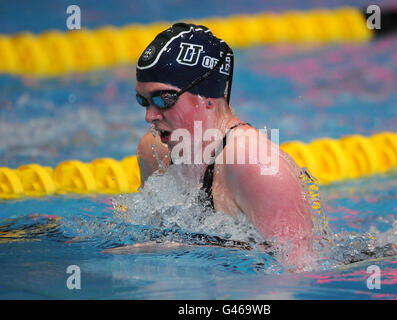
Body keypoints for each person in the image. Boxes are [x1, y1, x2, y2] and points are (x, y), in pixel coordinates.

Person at [132, 23, 313, 263]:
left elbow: (298, 272)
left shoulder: (256, 166)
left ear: (207, 97)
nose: (150, 116)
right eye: (143, 101)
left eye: (163, 99)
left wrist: (185, 248)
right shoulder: (153, 152)